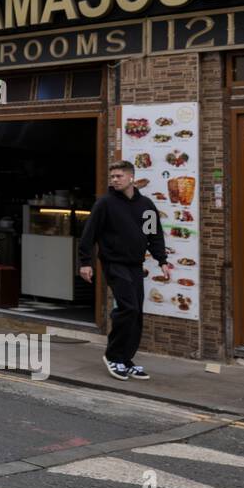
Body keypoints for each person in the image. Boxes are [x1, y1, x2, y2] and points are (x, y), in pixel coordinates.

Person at [78, 161, 173, 382]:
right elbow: (88, 235)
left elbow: (154, 235)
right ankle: (113, 356)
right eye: (112, 176)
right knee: (128, 307)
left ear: (131, 177)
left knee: (137, 312)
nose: (114, 180)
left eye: (119, 176)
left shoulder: (146, 205)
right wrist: (85, 262)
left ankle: (126, 360)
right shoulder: (105, 204)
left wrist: (162, 261)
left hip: (135, 265)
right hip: (114, 263)